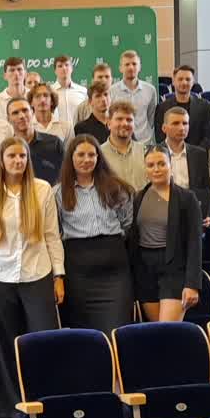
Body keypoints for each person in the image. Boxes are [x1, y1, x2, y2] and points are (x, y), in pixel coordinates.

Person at [0, 137, 64, 418]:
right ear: (1, 160)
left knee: (44, 341)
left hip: (37, 273)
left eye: (22, 156)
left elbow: (52, 235)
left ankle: (46, 405)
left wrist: (59, 276)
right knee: (7, 345)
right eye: (12, 156)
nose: (18, 161)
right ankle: (14, 411)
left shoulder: (42, 189)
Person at [57, 134, 134, 333]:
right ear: (71, 158)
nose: (86, 160)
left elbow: (126, 223)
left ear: (99, 157)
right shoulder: (58, 193)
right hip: (78, 271)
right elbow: (56, 231)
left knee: (117, 329)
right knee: (85, 333)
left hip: (114, 270)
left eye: (91, 155)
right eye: (81, 155)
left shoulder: (116, 187)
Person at [130, 146, 203, 321]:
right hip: (146, 272)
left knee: (168, 330)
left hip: (174, 270)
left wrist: (192, 284)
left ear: (171, 165)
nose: (156, 169)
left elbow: (195, 243)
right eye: (151, 165)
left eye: (162, 164)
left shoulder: (187, 198)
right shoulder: (138, 197)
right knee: (157, 331)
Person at [159, 106, 210, 221]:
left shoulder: (199, 154)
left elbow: (206, 188)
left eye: (185, 123)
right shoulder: (154, 153)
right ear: (164, 128)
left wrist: (206, 213)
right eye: (175, 123)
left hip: (193, 212)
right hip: (164, 213)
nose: (181, 128)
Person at [153, 64, 210, 149]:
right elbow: (159, 136)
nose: (184, 82)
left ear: (193, 82)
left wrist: (195, 152)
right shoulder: (162, 107)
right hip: (170, 155)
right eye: (180, 79)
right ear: (173, 82)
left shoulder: (204, 106)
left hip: (198, 154)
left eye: (188, 79)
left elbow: (209, 135)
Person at [6, 97, 63, 185]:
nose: (21, 116)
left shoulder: (55, 143)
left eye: (25, 110)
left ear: (32, 112)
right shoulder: (3, 151)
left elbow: (66, 176)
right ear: (8, 119)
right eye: (15, 113)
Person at [109, 50, 156, 144]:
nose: (131, 67)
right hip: (120, 142)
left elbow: (151, 117)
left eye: (134, 64)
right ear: (120, 68)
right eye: (127, 64)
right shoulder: (111, 91)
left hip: (145, 142)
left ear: (140, 67)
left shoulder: (150, 90)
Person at [100, 100, 149, 189]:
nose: (125, 123)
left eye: (129, 120)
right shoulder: (99, 154)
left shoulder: (145, 151)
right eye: (119, 119)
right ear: (109, 123)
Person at [51, 55, 87, 129]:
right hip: (56, 134)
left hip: (79, 133)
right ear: (55, 71)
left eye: (67, 65)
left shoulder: (83, 91)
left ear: (72, 69)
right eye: (60, 66)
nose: (64, 68)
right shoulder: (49, 92)